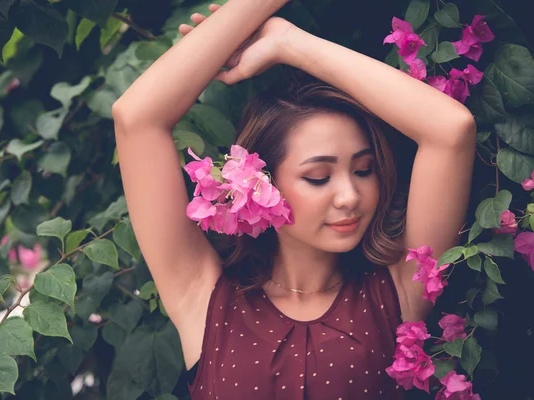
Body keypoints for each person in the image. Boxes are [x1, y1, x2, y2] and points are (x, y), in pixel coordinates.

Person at [111, 0, 476, 398]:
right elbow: (136, 119)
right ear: (259, 182)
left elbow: (451, 130)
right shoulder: (204, 299)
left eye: (363, 170)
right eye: (318, 177)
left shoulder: (399, 289)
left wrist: (291, 44)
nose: (350, 196)